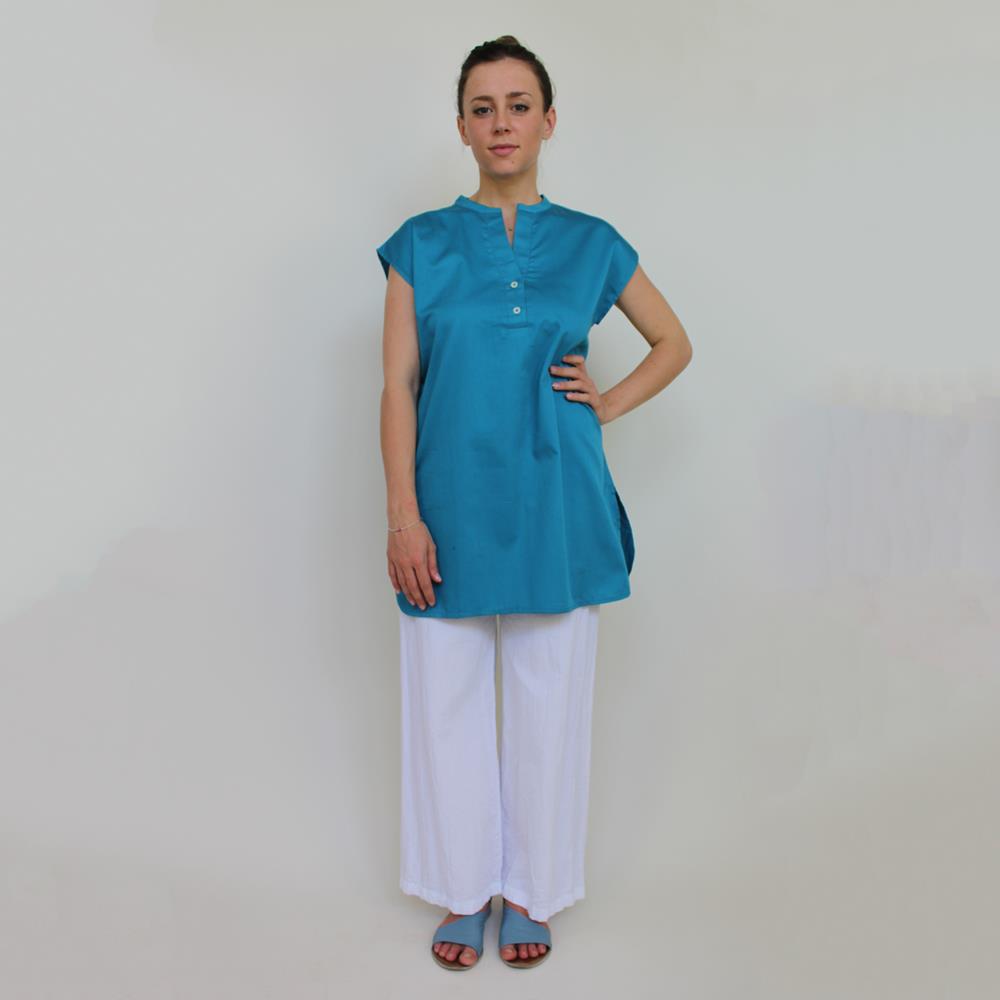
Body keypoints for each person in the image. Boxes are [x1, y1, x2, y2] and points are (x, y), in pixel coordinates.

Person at [377, 35, 692, 971]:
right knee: (444, 699)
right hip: (447, 501)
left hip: (558, 497)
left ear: (549, 121)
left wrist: (607, 404)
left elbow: (673, 342)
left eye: (519, 105)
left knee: (549, 699)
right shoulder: (421, 244)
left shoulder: (592, 243)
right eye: (483, 107)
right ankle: (461, 886)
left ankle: (531, 890)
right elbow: (397, 384)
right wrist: (403, 515)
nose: (501, 123)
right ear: (462, 127)